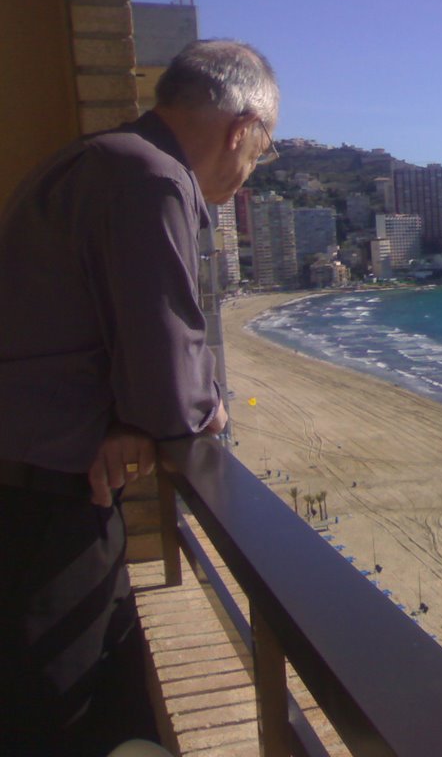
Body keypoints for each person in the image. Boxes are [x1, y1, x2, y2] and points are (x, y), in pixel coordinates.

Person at [0, 40, 279, 756]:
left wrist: (125, 418)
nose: (253, 168)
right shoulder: (151, 179)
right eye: (265, 148)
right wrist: (190, 410)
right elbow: (173, 389)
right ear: (241, 128)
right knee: (58, 717)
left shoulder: (100, 157)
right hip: (46, 501)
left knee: (106, 704)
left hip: (47, 477)